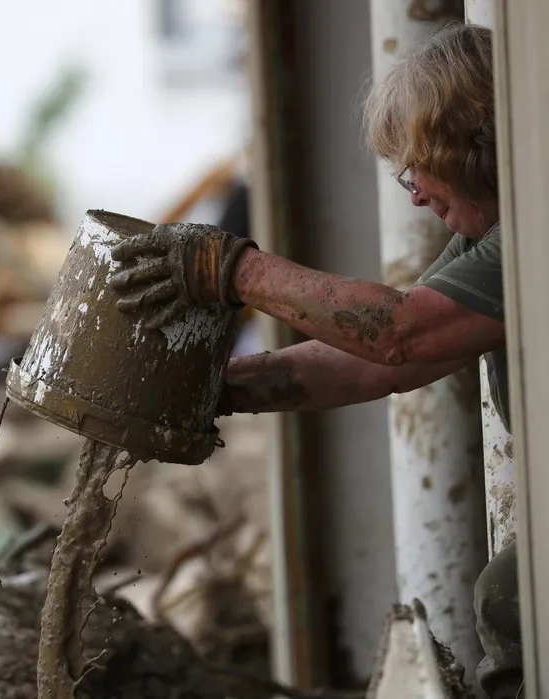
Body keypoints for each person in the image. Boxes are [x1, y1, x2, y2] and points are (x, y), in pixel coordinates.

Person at [107, 22, 520, 699]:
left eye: (417, 164)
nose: (412, 192)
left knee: (510, 594)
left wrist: (234, 268)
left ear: (468, 147)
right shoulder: (493, 237)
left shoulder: (530, 234)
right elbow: (378, 363)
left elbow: (398, 333)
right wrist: (214, 387)